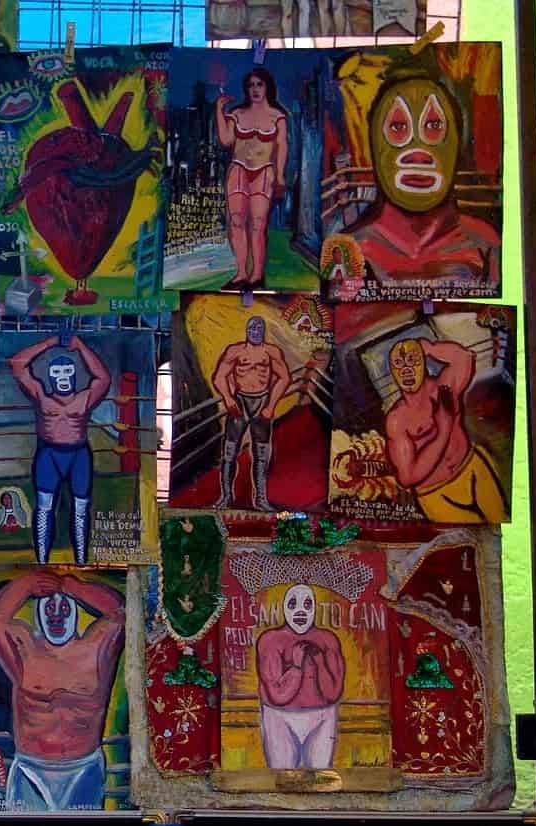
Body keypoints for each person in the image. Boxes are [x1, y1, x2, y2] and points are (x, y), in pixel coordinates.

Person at [0, 570, 125, 811]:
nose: (56, 616)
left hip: (83, 768)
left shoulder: (96, 649)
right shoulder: (26, 650)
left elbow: (121, 613)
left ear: (75, 613)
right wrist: (28, 582)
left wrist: (71, 586)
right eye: (49, 608)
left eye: (64, 608)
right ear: (39, 614)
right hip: (30, 768)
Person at [341, 72, 499, 291]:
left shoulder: (485, 243)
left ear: (455, 144)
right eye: (397, 127)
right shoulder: (348, 251)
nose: (417, 154)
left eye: (434, 125)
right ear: (376, 146)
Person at [7, 335, 112, 564]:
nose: (62, 377)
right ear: (50, 376)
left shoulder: (84, 397)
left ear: (74, 375)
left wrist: (80, 345)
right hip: (49, 455)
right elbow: (16, 363)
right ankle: (42, 561)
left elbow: (104, 378)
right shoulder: (41, 395)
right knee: (44, 508)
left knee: (81, 509)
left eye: (67, 372)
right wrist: (49, 343)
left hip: (78, 455)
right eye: (57, 372)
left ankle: (81, 560)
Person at [383, 337, 506, 523]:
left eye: (412, 360)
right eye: (399, 364)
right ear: (393, 372)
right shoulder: (397, 419)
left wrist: (430, 348)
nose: (406, 370)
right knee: (467, 534)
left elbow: (464, 357)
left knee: (502, 522)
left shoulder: (444, 386)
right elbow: (408, 476)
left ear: (423, 362)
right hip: (437, 493)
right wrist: (443, 431)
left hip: (472, 467)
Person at [255, 583, 345, 769]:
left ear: (315, 608)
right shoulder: (270, 640)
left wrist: (319, 662)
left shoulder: (328, 640)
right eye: (293, 604)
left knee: (320, 774)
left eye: (307, 604)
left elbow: (333, 694)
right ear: (284, 607)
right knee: (281, 775)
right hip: (279, 716)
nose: (300, 611)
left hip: (322, 716)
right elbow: (278, 696)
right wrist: (296, 666)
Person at [215, 68, 288, 288]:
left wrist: (280, 176)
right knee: (237, 222)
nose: (255, 89)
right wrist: (219, 110)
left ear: (267, 87)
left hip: (264, 172)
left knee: (258, 223)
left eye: (259, 84)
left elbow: (282, 147)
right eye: (251, 85)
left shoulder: (278, 117)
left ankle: (256, 275)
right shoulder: (237, 114)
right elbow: (226, 141)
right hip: (238, 170)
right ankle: (240, 273)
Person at [210, 315, 291, 512]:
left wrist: (271, 405)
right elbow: (219, 376)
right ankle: (226, 497)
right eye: (251, 329)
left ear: (263, 331)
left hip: (262, 402)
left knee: (261, 455)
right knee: (229, 453)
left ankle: (261, 499)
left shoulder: (271, 352)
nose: (255, 332)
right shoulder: (235, 351)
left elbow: (284, 378)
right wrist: (228, 399)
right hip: (240, 402)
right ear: (247, 331)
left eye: (258, 329)